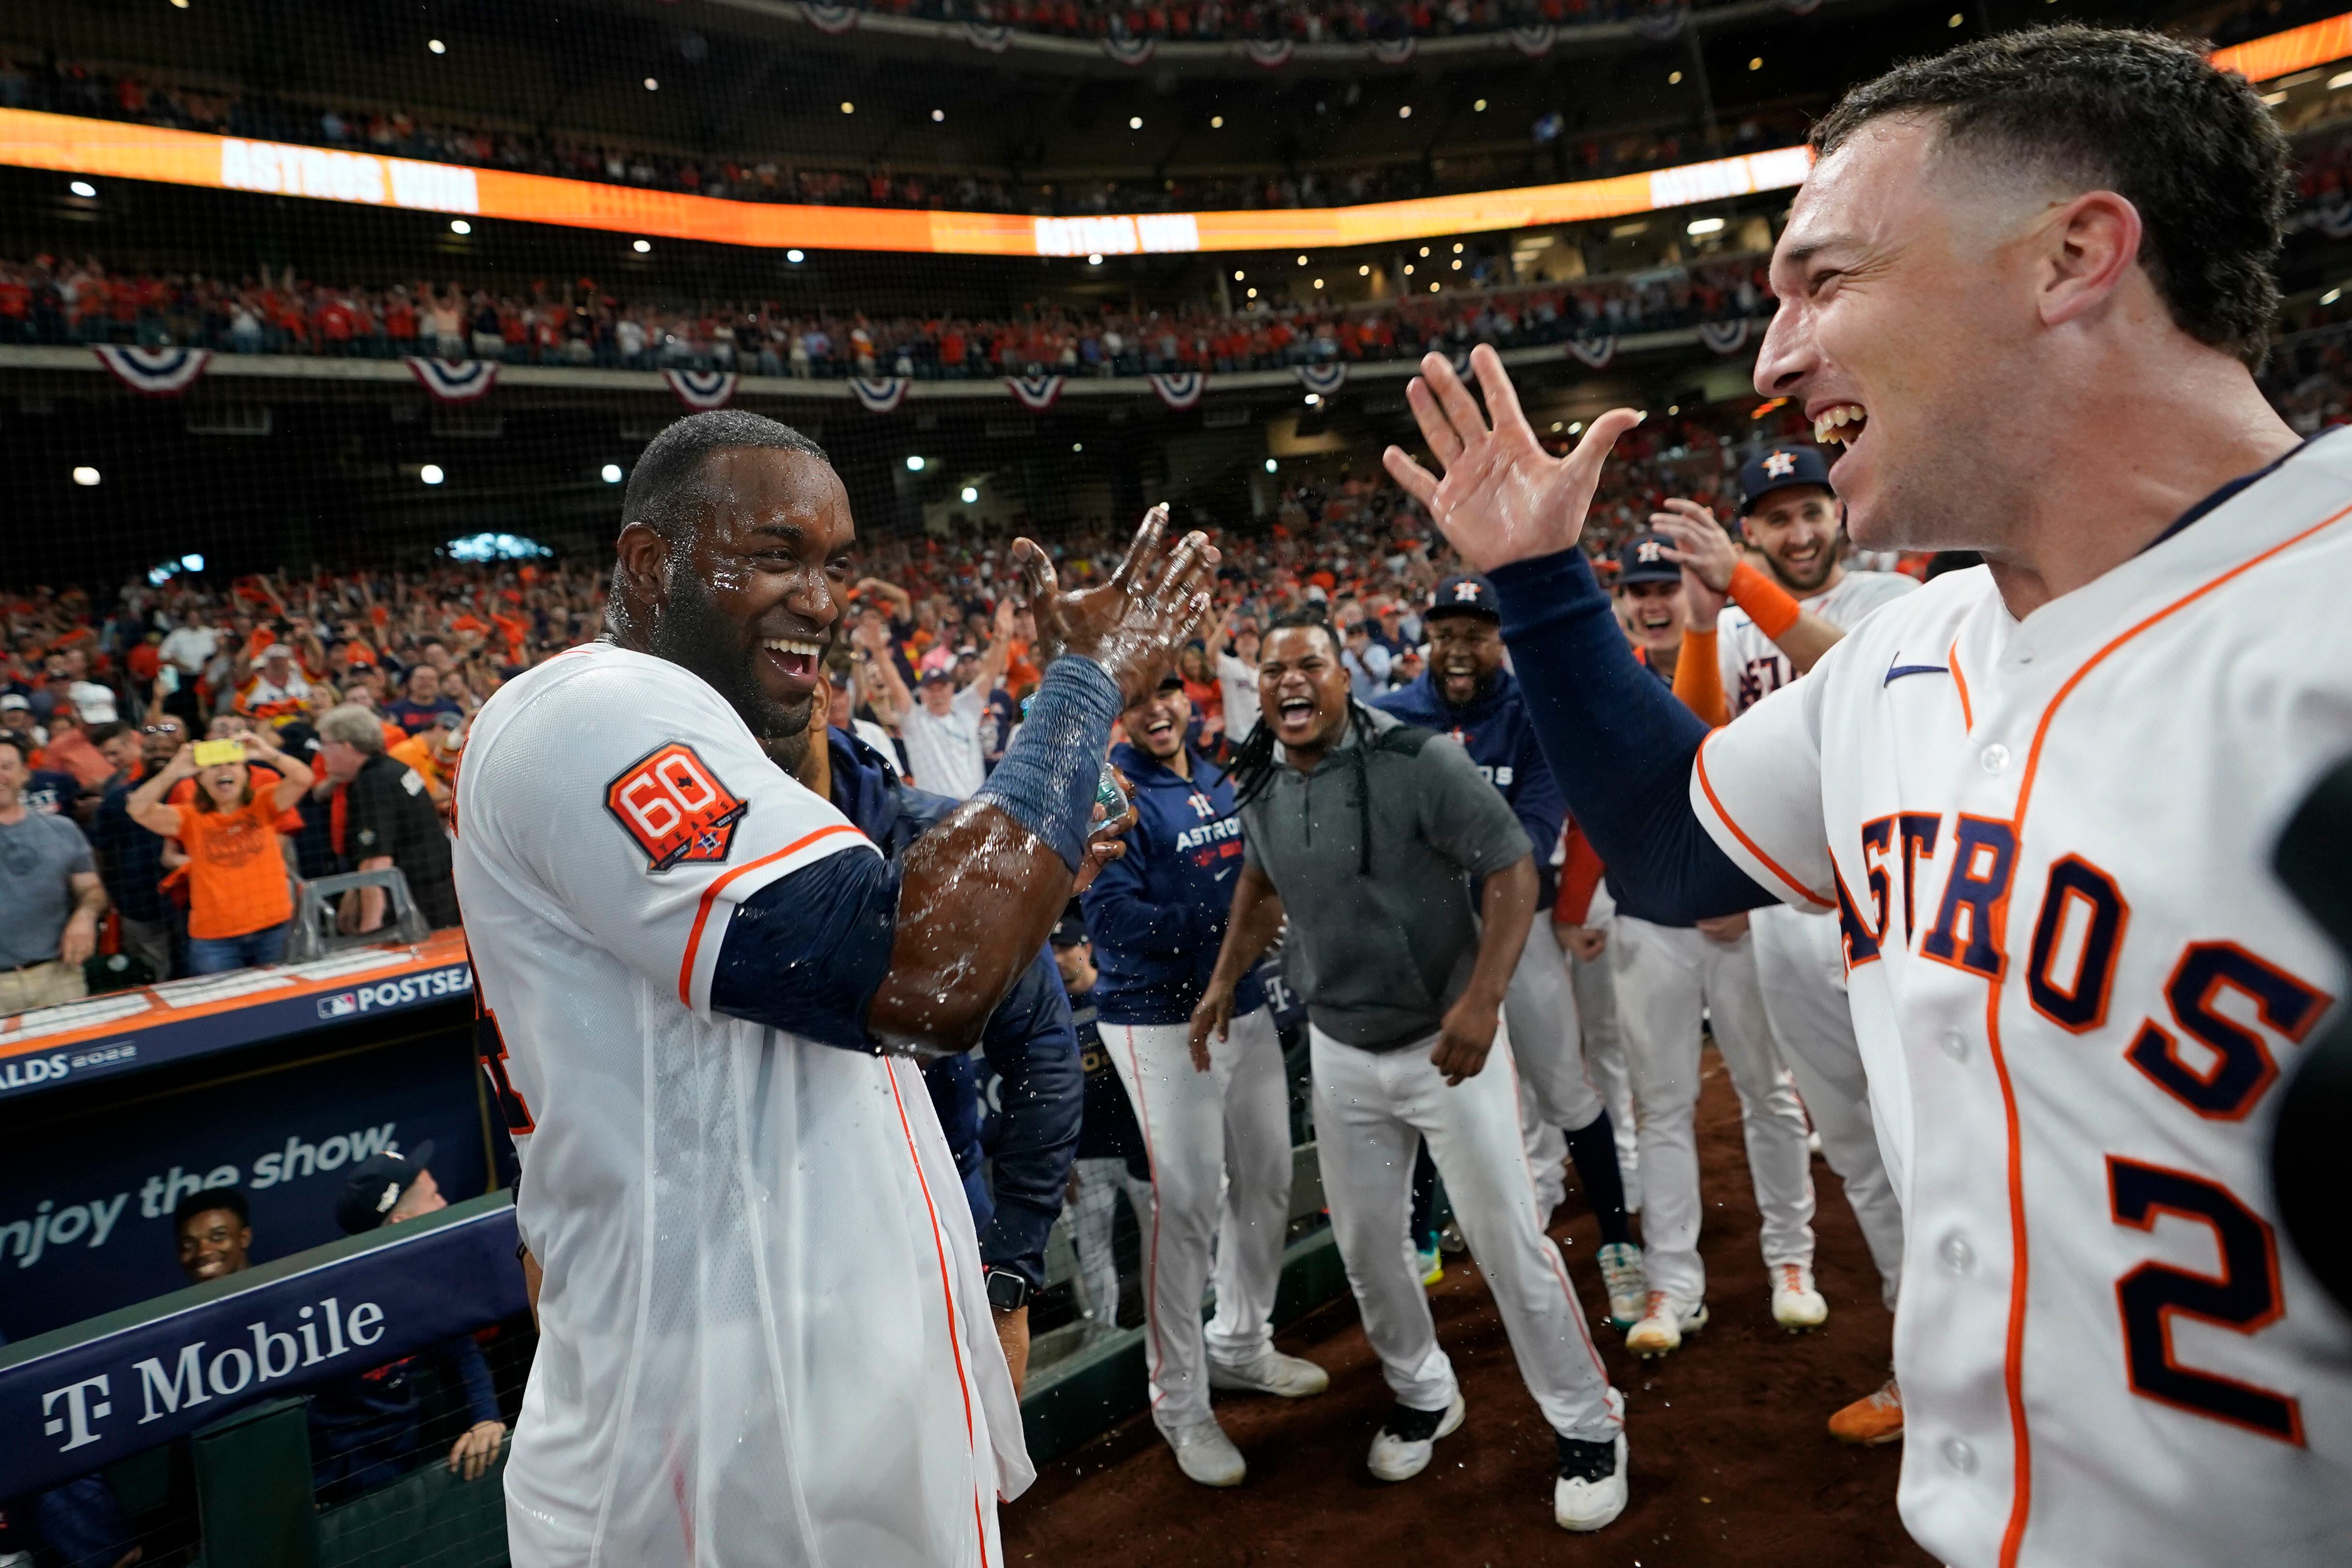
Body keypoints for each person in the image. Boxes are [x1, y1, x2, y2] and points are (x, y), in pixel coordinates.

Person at [1383, 28, 2352, 1567]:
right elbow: (1666, 845)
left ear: (2071, 257)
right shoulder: (1912, 654)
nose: (1770, 358)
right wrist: (1540, 589)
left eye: (1823, 283)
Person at [452, 410, 1212, 1566]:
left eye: (835, 565)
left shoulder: (725, 745)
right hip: (703, 1460)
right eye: (773, 555)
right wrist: (1081, 689)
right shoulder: (584, 709)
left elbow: (929, 931)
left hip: (811, 1409)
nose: (821, 598)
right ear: (650, 563)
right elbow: (919, 974)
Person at [1191, 608, 1628, 1534]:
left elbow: (1510, 864)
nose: (1288, 682)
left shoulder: (1419, 759)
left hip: (1445, 1046)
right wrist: (1225, 977)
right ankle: (1423, 1387)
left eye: (1309, 663)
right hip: (1342, 1047)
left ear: (1345, 677)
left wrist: (1482, 999)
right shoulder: (1258, 769)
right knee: (1366, 1250)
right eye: (1272, 669)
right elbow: (1260, 883)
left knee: (1509, 1243)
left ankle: (1590, 1425)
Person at [1651, 449, 1916, 1441]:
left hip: (1890, 904)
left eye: (1810, 512)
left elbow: (1847, 673)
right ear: (1750, 528)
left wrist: (1740, 588)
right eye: (1776, 520)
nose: (1800, 533)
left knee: (1927, 1138)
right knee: (1853, 1148)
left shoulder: (1894, 595)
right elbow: (1693, 734)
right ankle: (1916, 1361)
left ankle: (2001, 1363)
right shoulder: (1728, 613)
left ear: (1835, 514)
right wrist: (1692, 622)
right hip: (1782, 912)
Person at [792, 674, 1087, 1399]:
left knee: (968, 1473)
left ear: (822, 695)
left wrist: (1014, 1257)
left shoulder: (931, 836)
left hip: (941, 1211)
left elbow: (1042, 1047)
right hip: (785, 1249)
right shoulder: (690, 865)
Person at [1376, 574, 1646, 1327]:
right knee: (1435, 1082)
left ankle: (1618, 1241)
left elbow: (1529, 836)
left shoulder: (1533, 717)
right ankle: (1421, 1229)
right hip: (1428, 938)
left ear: (1502, 640)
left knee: (1563, 1084)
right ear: (1428, 636)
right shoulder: (1391, 717)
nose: (1459, 649)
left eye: (1477, 633)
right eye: (1447, 632)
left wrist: (1437, 859)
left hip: (1513, 934)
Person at [1082, 670, 1327, 1489]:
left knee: (1263, 1179)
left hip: (1245, 1004)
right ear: (1121, 712)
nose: (1158, 710)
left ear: (1189, 698)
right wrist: (1229, 926)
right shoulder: (1113, 790)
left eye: (1169, 692)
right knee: (1186, 1204)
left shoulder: (1220, 771)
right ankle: (1178, 1400)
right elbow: (1111, 920)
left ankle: (1241, 1342)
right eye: (1140, 698)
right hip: (1157, 1020)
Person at [313, 1147, 508, 1500]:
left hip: (405, 1463)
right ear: (403, 1223)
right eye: (433, 1196)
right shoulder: (327, 1297)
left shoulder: (423, 1279)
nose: (444, 1204)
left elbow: (462, 1350)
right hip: (333, 1490)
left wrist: (485, 1419)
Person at [124, 734, 312, 973]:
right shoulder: (189, 817)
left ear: (246, 775)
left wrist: (266, 752)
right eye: (213, 766)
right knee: (223, 1009)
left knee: (285, 1005)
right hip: (215, 941)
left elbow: (304, 778)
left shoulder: (264, 803)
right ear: (200, 778)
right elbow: (137, 808)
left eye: (233, 764)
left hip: (273, 929)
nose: (224, 770)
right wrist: (173, 771)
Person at [1050, 917, 1155, 1346]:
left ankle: (1176, 1316)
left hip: (1138, 1145)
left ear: (1087, 948)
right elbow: (1049, 1096)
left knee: (1163, 1236)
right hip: (1087, 1154)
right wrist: (1061, 1159)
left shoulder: (1117, 991)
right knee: (1092, 1251)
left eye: (1065, 948)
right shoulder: (1052, 1013)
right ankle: (1104, 1334)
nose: (1058, 959)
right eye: (1051, 951)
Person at [313, 704, 459, 932]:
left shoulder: (372, 784)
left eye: (325, 744)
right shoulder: (395, 769)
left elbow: (377, 863)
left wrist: (371, 928)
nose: (322, 752)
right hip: (440, 893)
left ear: (346, 746)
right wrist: (354, 895)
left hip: (413, 907)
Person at [855, 596, 1013, 799]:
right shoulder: (915, 721)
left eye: (942, 688)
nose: (937, 694)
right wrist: (878, 651)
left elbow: (989, 672)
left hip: (975, 808)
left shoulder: (966, 709)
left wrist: (1002, 635)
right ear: (922, 694)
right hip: (934, 815)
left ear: (951, 688)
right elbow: (895, 683)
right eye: (931, 689)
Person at [0, 734, 106, 1014]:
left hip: (59, 977)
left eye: (6, 767)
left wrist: (85, 916)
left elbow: (92, 889)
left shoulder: (63, 830)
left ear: (25, 774)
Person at [174, 1185, 252, 1283]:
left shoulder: (276, 1292)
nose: (203, 1252)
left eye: (218, 1236)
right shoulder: (181, 1299)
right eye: (188, 1244)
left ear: (244, 1238)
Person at [384, 665, 462, 737]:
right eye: (421, 678)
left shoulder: (452, 708)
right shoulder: (394, 711)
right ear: (410, 683)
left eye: (432, 679)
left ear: (438, 684)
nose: (426, 683)